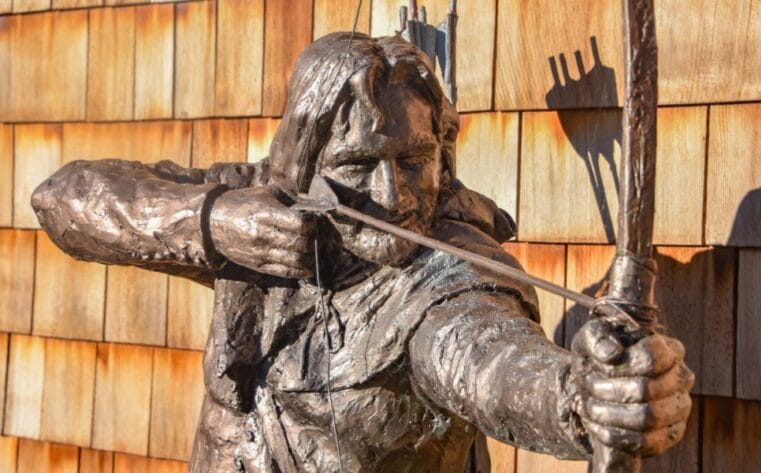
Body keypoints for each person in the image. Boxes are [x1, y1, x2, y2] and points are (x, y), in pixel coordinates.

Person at [32, 33, 692, 473]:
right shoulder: (264, 206)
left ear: (443, 154)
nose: (392, 193)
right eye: (359, 164)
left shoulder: (451, 275)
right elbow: (61, 199)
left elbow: (488, 362)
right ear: (306, 158)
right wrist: (209, 218)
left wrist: (582, 399)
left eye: (414, 160)